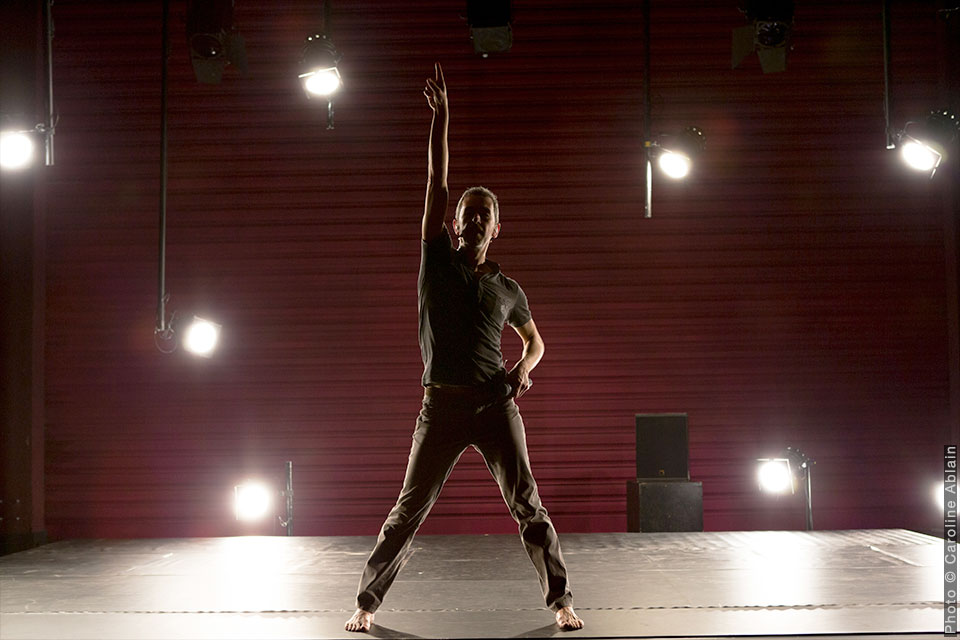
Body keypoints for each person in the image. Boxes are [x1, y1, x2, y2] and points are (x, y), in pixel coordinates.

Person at [344, 63, 584, 633]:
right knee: (407, 511)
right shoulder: (435, 263)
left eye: (485, 215)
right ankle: (367, 604)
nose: (473, 220)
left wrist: (524, 366)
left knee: (528, 506)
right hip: (440, 407)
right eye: (467, 214)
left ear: (497, 228)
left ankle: (562, 602)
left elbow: (536, 341)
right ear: (453, 224)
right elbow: (436, 181)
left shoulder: (508, 289)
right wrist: (442, 116)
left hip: (495, 405)